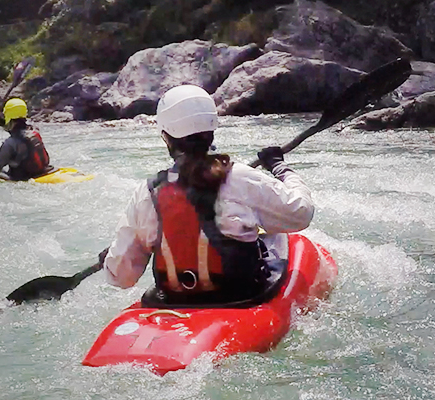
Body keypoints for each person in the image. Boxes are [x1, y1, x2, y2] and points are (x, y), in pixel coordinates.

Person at [98, 84, 315, 305]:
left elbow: (121, 278)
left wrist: (111, 259)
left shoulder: (147, 192)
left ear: (165, 136)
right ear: (212, 129)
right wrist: (281, 168)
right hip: (240, 298)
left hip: (174, 301)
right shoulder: (241, 177)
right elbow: (301, 214)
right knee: (275, 234)